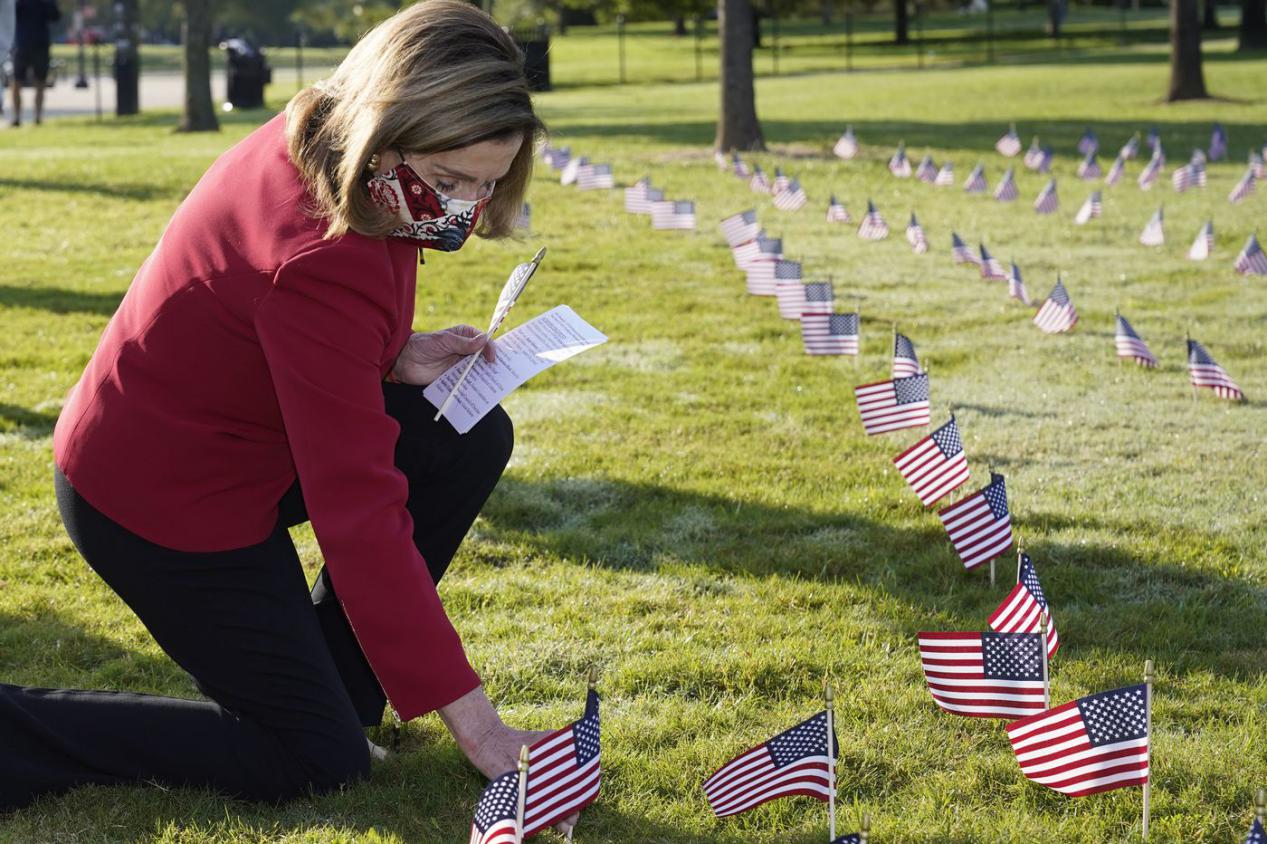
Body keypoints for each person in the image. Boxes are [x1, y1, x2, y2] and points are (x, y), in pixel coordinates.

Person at [0, 1, 574, 830]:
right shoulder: (318, 256)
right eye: (449, 183)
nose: (465, 210)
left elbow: (278, 326)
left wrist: (393, 354)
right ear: (386, 132)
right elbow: (360, 515)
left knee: (464, 430)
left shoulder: (331, 138)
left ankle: (339, 691)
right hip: (158, 499)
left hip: (225, 444)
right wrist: (479, 730)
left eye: (487, 184)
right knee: (311, 764)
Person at [9, 0, 59, 126]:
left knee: (39, 81)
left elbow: (55, 16)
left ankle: (37, 116)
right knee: (17, 81)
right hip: (24, 43)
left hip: (36, 44)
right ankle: (18, 117)